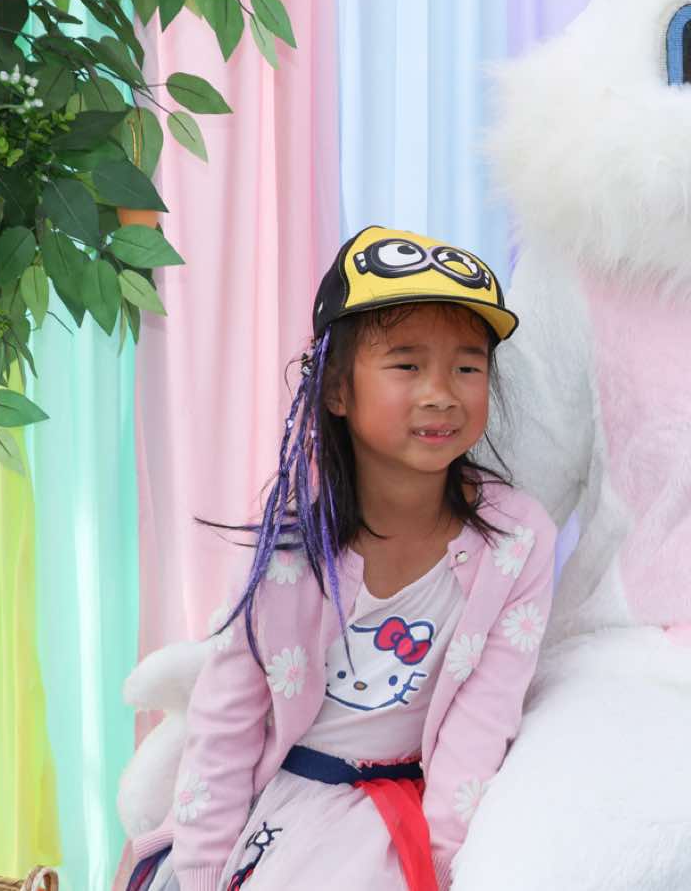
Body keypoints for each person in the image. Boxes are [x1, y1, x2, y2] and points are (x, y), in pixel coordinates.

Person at [115, 226, 558, 891]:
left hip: (410, 820)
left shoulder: (515, 540)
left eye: (467, 367)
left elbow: (482, 725)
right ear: (336, 390)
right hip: (285, 805)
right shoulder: (290, 549)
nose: (441, 392)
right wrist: (204, 872)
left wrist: (443, 867)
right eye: (407, 365)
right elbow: (227, 722)